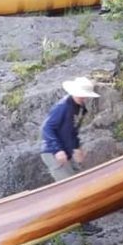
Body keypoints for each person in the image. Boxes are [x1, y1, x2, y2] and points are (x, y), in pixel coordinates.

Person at [40, 76, 102, 235]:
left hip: (66, 152)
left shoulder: (79, 108)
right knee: (71, 189)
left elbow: (72, 132)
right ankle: (78, 226)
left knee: (80, 186)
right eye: (81, 94)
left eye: (84, 95)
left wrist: (77, 148)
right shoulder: (62, 107)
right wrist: (57, 150)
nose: (83, 97)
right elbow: (46, 129)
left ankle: (79, 222)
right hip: (52, 153)